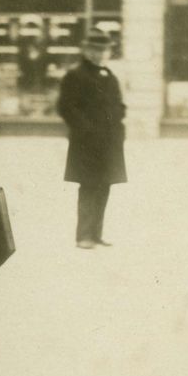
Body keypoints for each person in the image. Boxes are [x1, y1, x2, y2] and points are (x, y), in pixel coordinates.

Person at [58, 29, 127, 249]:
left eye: (104, 50)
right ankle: (84, 236)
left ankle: (96, 234)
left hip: (108, 143)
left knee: (104, 186)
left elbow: (118, 104)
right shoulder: (76, 75)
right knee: (88, 187)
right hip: (87, 143)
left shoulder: (109, 76)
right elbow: (66, 107)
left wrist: (119, 120)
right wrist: (86, 130)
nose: (99, 54)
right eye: (95, 50)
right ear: (86, 50)